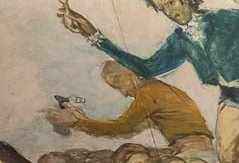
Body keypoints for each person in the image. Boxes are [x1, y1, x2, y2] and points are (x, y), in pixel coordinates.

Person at [59, 0, 239, 163]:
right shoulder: (179, 41)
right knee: (227, 159)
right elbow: (146, 68)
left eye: (170, 2)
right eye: (163, 8)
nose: (170, 11)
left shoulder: (220, 18)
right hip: (230, 100)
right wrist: (93, 35)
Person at [44, 60, 212, 155]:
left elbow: (122, 127)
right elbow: (131, 128)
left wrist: (76, 123)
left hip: (193, 150)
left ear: (130, 75)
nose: (124, 93)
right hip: (193, 147)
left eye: (118, 85)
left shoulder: (148, 92)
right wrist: (82, 119)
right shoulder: (160, 90)